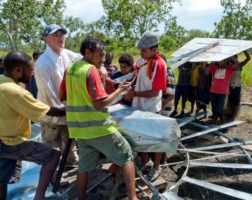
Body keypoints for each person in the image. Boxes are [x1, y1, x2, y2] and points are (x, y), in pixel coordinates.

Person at [59, 37, 137, 200]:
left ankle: (82, 197)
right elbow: (100, 103)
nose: (102, 58)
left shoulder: (71, 68)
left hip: (79, 130)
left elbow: (61, 96)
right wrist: (119, 91)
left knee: (84, 167)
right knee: (127, 155)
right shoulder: (90, 70)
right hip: (99, 128)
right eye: (99, 55)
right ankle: (133, 197)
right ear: (87, 52)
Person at [0, 51, 64, 200]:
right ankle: (39, 196)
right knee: (53, 155)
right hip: (10, 141)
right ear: (18, 70)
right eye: (30, 69)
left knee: (2, 178)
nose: (33, 73)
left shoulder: (2, 81)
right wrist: (69, 112)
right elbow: (47, 110)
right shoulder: (16, 91)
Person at [34, 24, 80, 165]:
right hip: (53, 116)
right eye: (56, 35)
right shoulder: (43, 63)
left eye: (62, 34)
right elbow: (49, 96)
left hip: (67, 112)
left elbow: (83, 59)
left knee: (70, 148)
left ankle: (71, 169)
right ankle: (51, 179)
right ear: (46, 38)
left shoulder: (66, 54)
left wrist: (100, 67)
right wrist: (68, 111)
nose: (60, 38)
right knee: (51, 149)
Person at [132, 31, 167, 182]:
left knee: (155, 140)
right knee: (137, 137)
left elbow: (154, 92)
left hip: (151, 108)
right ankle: (146, 161)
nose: (141, 53)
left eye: (144, 50)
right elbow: (137, 74)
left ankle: (157, 167)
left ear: (154, 50)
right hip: (138, 107)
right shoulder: (142, 59)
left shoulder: (159, 65)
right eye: (140, 50)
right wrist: (130, 85)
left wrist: (134, 94)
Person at [208, 58, 237, 124]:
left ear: (225, 60)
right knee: (214, 107)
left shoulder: (229, 69)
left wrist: (231, 56)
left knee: (220, 108)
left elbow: (236, 65)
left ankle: (221, 121)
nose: (219, 61)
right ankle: (216, 121)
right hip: (213, 90)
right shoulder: (214, 67)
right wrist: (214, 59)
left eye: (221, 60)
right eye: (218, 60)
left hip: (222, 92)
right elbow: (209, 68)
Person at [226, 51, 251, 120]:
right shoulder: (228, 67)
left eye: (233, 60)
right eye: (230, 61)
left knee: (235, 102)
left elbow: (248, 58)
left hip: (236, 86)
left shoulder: (239, 66)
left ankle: (233, 115)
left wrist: (245, 50)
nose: (231, 62)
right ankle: (230, 113)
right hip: (228, 86)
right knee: (230, 100)